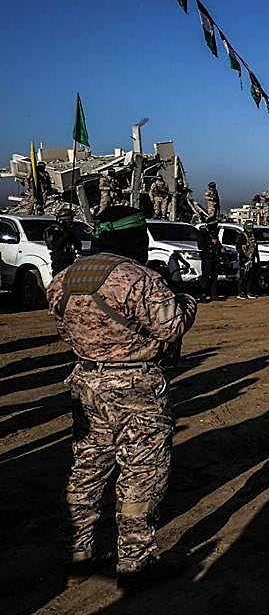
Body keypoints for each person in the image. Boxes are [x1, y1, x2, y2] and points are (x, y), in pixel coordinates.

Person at [47, 205, 197, 589]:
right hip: (136, 388)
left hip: (85, 382)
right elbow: (171, 327)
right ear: (135, 237)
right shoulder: (139, 278)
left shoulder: (63, 279)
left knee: (88, 466)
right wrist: (186, 299)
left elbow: (66, 331)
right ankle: (135, 563)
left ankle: (79, 554)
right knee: (141, 472)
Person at [44, 206, 81, 275]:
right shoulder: (54, 229)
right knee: (59, 278)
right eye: (70, 219)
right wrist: (66, 234)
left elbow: (78, 244)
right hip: (60, 258)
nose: (71, 221)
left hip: (70, 257)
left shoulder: (68, 230)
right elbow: (54, 246)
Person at [196, 220, 221, 302]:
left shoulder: (214, 233)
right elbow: (200, 246)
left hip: (215, 257)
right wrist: (210, 242)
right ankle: (204, 294)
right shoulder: (203, 233)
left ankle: (214, 294)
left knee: (214, 276)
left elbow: (218, 243)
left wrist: (221, 248)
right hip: (207, 258)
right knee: (206, 277)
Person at [236, 223, 259, 299]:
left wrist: (257, 258)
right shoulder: (241, 236)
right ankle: (241, 293)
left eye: (251, 228)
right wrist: (244, 258)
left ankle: (249, 292)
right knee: (243, 276)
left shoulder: (253, 236)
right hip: (244, 259)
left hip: (251, 258)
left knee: (250, 276)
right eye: (249, 228)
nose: (250, 230)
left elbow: (255, 248)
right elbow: (238, 248)